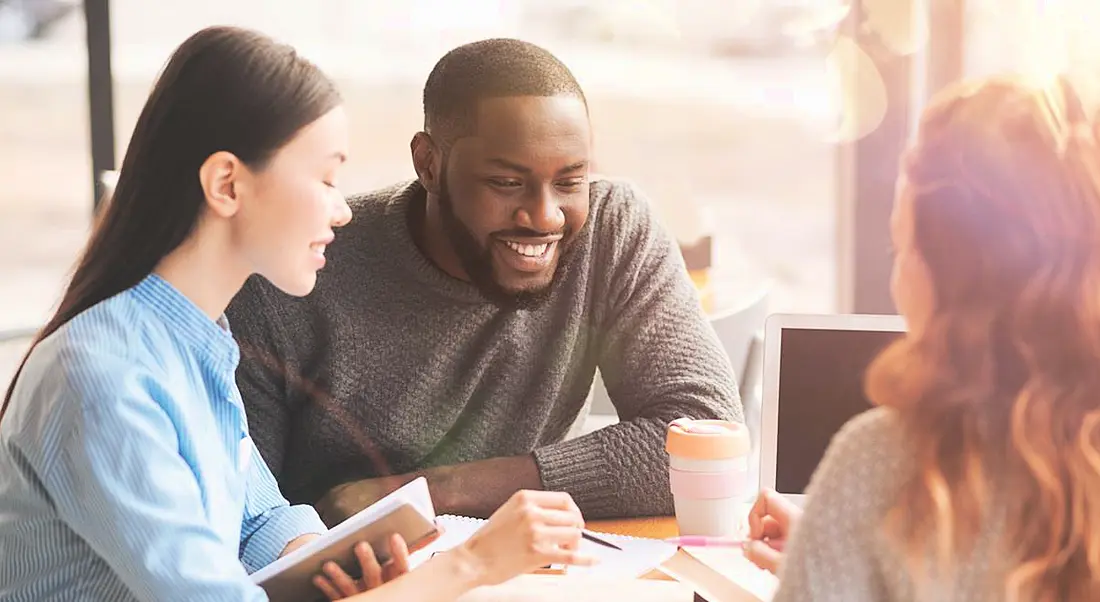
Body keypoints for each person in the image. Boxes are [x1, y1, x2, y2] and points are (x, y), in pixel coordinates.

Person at [0, 26, 594, 602]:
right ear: (227, 184)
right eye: (325, 177)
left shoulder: (197, 339)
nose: (342, 211)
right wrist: (472, 564)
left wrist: (335, 565)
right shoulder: (103, 378)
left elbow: (260, 522)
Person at [225, 38, 742, 524]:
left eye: (570, 181)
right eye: (506, 183)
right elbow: (241, 519)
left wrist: (428, 493)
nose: (545, 216)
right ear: (428, 164)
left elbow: (707, 439)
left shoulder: (611, 229)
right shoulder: (295, 271)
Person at [744, 74, 1100, 601]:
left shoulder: (878, 463)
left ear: (945, 282)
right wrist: (833, 545)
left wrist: (842, 540)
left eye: (901, 249)